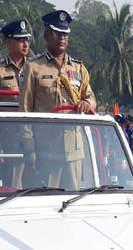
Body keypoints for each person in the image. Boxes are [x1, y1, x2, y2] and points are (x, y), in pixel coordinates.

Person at [18, 10, 95, 191]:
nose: (62, 38)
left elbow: (90, 96)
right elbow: (25, 109)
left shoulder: (78, 68)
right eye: (57, 34)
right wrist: (30, 148)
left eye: (65, 34)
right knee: (48, 197)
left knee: (73, 195)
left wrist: (88, 104)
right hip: (46, 148)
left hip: (74, 149)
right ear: (46, 36)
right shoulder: (34, 66)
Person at [0, 19, 35, 189]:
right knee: (12, 185)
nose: (25, 44)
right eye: (20, 40)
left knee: (36, 185)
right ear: (8, 42)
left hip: (34, 136)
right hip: (10, 137)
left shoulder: (34, 68)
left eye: (27, 40)